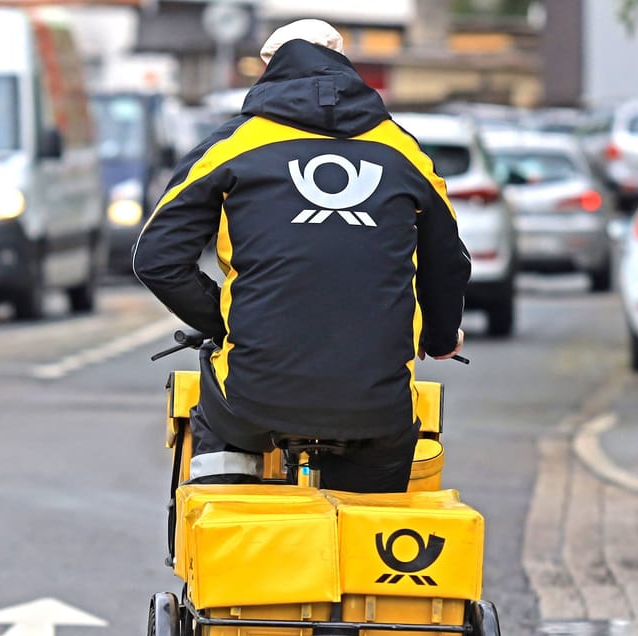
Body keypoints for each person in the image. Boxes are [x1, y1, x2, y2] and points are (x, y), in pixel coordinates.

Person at [132, 19, 471, 494]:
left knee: (219, 423)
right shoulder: (402, 150)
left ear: (268, 68)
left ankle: (228, 528)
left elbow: (156, 258)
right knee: (370, 506)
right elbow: (448, 262)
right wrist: (438, 337)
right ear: (344, 65)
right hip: (377, 407)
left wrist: (226, 323)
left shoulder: (233, 145)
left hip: (252, 397)